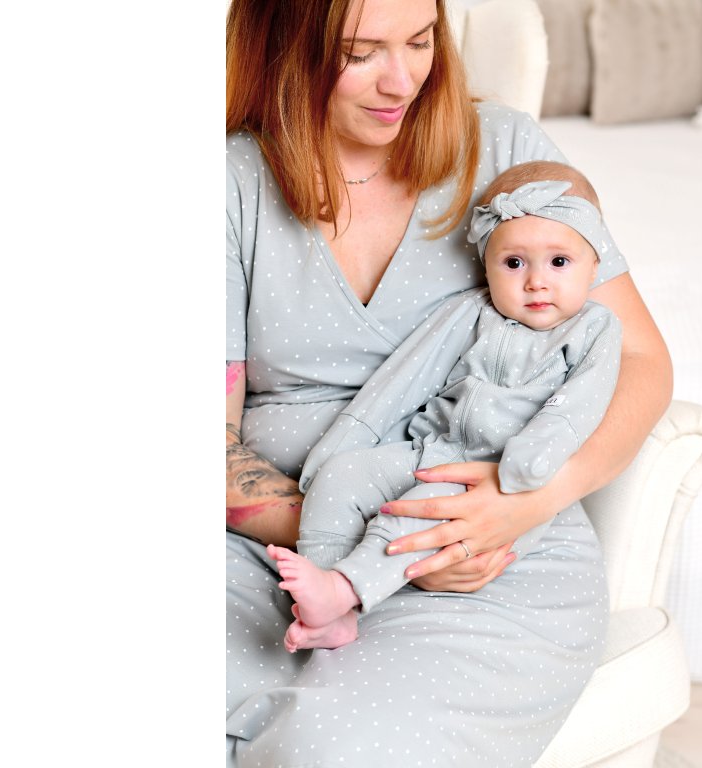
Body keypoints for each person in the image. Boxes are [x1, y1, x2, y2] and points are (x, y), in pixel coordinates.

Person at [225, 0, 673, 765]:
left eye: (421, 41)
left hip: (490, 553)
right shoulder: (230, 182)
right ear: (281, 46)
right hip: (266, 545)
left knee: (338, 751)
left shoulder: (508, 153)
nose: (401, 80)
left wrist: (523, 504)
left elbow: (637, 358)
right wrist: (377, 539)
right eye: (360, 52)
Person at [267, 161, 623, 652]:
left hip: (502, 480)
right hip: (431, 450)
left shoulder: (594, 328)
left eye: (559, 262)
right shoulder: (470, 312)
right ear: (487, 264)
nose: (536, 282)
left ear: (594, 266)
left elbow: (580, 402)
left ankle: (344, 589)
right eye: (514, 263)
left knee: (418, 511)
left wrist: (535, 455)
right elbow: (403, 380)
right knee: (341, 476)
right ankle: (328, 607)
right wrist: (345, 440)